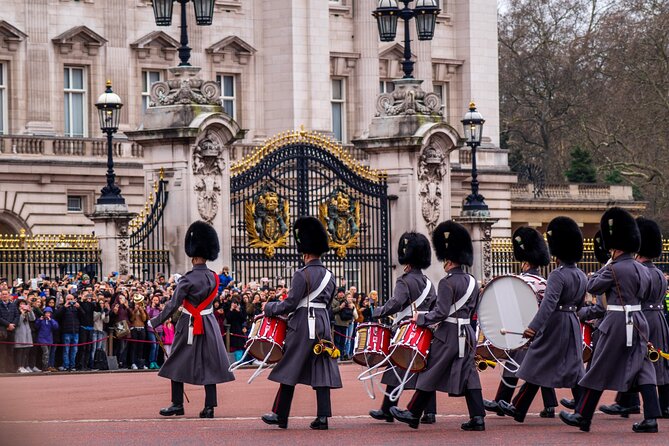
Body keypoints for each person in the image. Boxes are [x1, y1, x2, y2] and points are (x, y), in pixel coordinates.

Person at [560, 207, 662, 433]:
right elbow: (645, 293)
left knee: (599, 367)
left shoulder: (613, 269)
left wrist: (604, 268)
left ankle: (583, 416)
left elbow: (592, 286)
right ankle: (651, 418)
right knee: (644, 367)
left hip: (616, 321)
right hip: (638, 320)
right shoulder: (641, 268)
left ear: (615, 247)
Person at [390, 220, 485, 431]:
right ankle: (478, 417)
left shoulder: (446, 282)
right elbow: (474, 309)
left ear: (448, 260)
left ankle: (413, 413)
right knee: (469, 373)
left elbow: (441, 313)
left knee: (430, 370)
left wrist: (420, 319)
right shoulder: (471, 281)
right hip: (467, 333)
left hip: (449, 333)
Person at [498, 218, 587, 422]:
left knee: (536, 363)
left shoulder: (558, 275)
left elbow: (548, 304)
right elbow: (581, 304)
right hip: (572, 321)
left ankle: (519, 408)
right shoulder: (581, 275)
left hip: (555, 324)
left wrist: (533, 327)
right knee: (573, 368)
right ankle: (520, 408)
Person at [261, 217, 342, 430]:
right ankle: (323, 417)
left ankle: (280, 415)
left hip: (304, 324)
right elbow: (329, 302)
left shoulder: (301, 274)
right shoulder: (330, 276)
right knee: (321, 366)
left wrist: (269, 308)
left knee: (290, 366)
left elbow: (290, 304)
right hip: (323, 323)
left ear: (305, 252)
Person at [149, 221, 235, 419]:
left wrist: (155, 322)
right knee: (210, 364)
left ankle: (177, 404)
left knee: (176, 361)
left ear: (193, 255)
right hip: (209, 323)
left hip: (189, 324)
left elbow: (172, 305)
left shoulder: (187, 279)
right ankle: (209, 407)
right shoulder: (214, 278)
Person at [597, 218, 669, 419]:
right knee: (659, 365)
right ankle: (663, 405)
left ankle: (628, 403)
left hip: (641, 318)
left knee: (634, 361)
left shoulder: (641, 270)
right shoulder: (659, 274)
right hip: (658, 320)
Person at [485, 226, 558, 418]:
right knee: (541, 365)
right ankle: (550, 405)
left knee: (513, 364)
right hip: (543, 330)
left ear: (525, 262)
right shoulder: (545, 282)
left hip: (523, 330)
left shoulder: (519, 280)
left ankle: (502, 400)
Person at [368, 232, 438, 424]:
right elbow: (434, 308)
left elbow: (396, 303)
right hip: (424, 330)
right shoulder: (429, 284)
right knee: (425, 369)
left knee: (395, 366)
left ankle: (387, 409)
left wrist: (377, 312)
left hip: (406, 328)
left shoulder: (404, 280)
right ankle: (430, 412)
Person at [56, 294, 84, 372]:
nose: (70, 301)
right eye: (68, 299)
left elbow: (83, 316)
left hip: (75, 331)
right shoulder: (62, 307)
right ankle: (66, 365)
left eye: (71, 299)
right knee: (66, 350)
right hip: (66, 331)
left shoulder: (76, 308)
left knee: (74, 350)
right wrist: (64, 307)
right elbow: (57, 315)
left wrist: (79, 307)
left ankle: (72, 365)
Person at [0, 287, 19, 373]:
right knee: (3, 352)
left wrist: (13, 325)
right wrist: (8, 324)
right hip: (2, 331)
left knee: (11, 351)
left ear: (9, 295)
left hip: (12, 330)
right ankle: (3, 369)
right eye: (3, 294)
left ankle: (10, 368)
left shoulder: (13, 305)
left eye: (6, 294)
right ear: (1, 296)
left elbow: (17, 316)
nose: (4, 295)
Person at [14, 299, 35, 373]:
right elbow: (18, 323)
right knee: (20, 351)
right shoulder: (16, 312)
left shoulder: (27, 313)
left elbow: (33, 319)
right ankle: (19, 367)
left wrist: (30, 310)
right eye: (21, 304)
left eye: (24, 303)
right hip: (19, 333)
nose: (23, 305)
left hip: (27, 334)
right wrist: (22, 314)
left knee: (26, 351)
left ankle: (24, 366)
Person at [35, 306, 59, 372]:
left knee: (47, 354)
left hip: (49, 339)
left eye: (49, 313)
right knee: (46, 353)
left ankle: (47, 366)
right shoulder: (41, 320)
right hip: (42, 339)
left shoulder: (52, 320)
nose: (47, 314)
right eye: (46, 313)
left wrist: (51, 320)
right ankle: (44, 367)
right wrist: (39, 320)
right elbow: (36, 326)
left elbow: (56, 327)